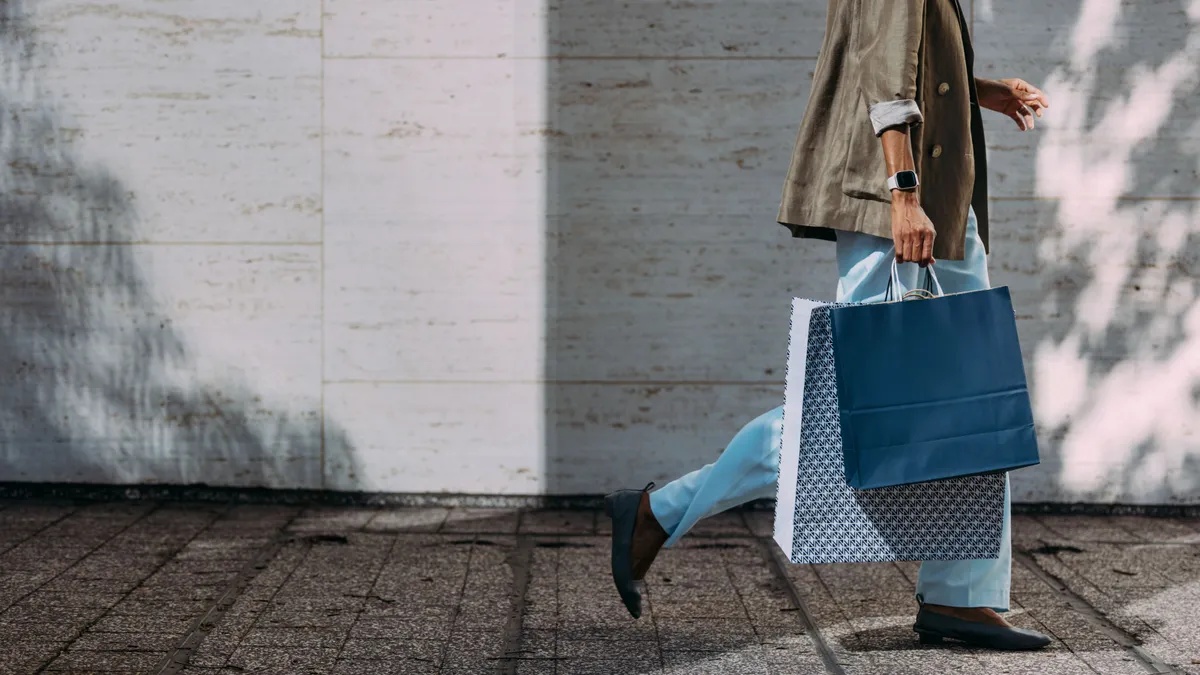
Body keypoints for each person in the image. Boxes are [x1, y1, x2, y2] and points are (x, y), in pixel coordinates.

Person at [604, 0, 1054, 651]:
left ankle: (965, 594)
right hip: (895, 199)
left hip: (939, 191)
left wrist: (982, 91)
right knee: (855, 405)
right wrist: (903, 194)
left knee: (973, 392)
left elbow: (911, 59)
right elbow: (880, 67)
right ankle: (658, 512)